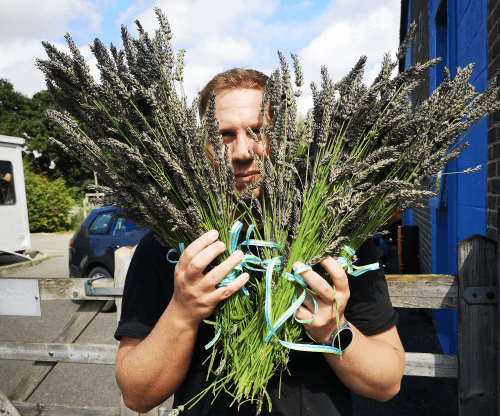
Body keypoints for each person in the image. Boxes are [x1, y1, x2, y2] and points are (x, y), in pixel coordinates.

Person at [114, 69, 406, 415]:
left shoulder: (341, 240)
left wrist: (333, 328)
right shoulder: (170, 247)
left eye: (258, 132)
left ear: (283, 138)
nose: (242, 151)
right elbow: (137, 396)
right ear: (203, 146)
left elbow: (387, 383)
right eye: (224, 135)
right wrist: (183, 311)